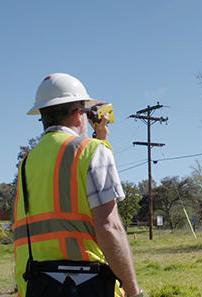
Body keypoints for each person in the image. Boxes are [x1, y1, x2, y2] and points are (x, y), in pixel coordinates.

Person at [13, 73, 144, 297]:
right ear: (77, 114)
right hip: (84, 284)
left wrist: (101, 137)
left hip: (36, 285)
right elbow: (109, 227)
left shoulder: (28, 161)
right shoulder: (91, 151)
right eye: (84, 110)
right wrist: (133, 291)